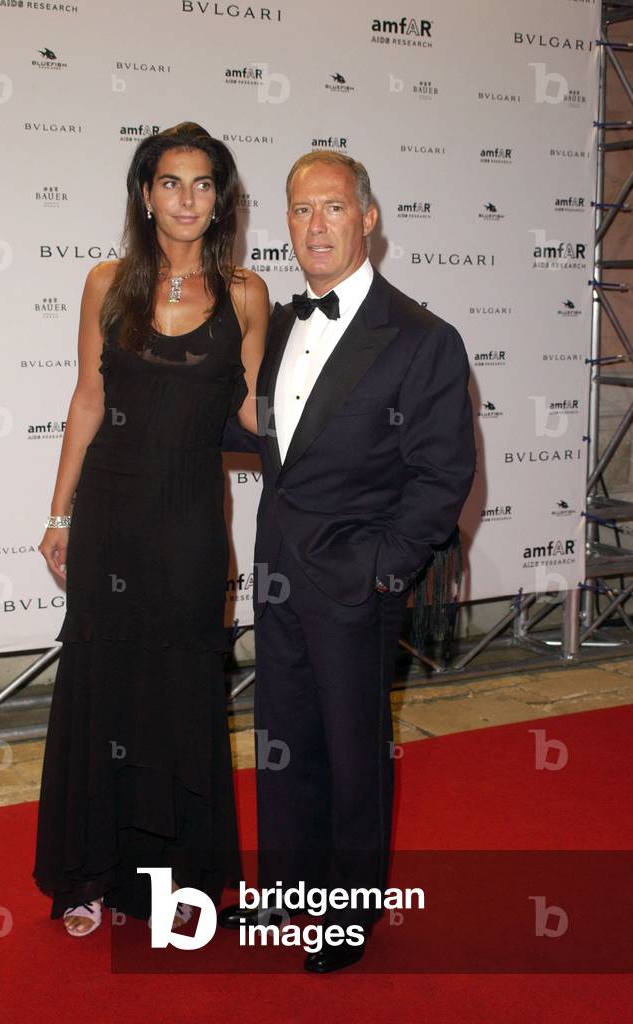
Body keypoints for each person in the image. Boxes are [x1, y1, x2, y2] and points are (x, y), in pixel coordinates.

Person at [219, 151, 475, 971]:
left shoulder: (422, 339)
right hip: (278, 570)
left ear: (367, 218)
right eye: (300, 210)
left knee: (353, 751)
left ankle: (348, 911)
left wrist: (379, 570)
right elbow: (267, 438)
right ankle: (289, 889)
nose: (315, 225)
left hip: (355, 582)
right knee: (282, 737)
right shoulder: (279, 325)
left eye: (331, 207)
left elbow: (442, 476)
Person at [33, 122, 268, 936]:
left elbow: (254, 413)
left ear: (221, 199)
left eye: (202, 184)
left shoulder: (245, 294)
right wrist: (59, 513)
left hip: (192, 524)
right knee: (104, 689)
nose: (187, 199)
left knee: (180, 691)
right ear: (145, 194)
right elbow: (88, 400)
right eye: (171, 182)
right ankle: (90, 876)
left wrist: (339, 419)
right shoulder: (106, 283)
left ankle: (169, 884)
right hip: (110, 518)